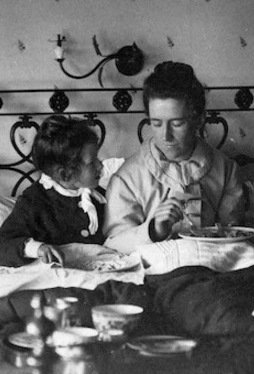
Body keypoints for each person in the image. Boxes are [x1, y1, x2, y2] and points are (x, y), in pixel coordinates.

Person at [103, 61, 244, 253]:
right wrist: (153, 230)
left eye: (177, 123)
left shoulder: (225, 169)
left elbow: (234, 236)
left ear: (199, 119)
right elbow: (113, 248)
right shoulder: (127, 178)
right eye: (156, 123)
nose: (165, 136)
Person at [0, 115, 105, 267]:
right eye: (92, 161)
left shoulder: (100, 196)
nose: (100, 166)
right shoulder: (35, 202)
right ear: (64, 174)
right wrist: (36, 248)